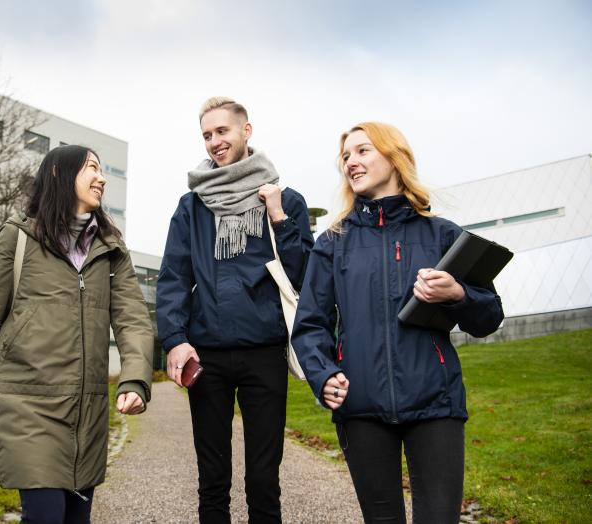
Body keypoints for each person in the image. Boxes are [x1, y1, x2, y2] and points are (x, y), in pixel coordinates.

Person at [291, 122, 504, 523]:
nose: (351, 162)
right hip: (361, 407)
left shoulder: (441, 234)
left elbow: (489, 316)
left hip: (435, 405)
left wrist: (457, 294)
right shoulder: (333, 242)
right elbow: (310, 326)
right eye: (346, 156)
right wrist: (323, 376)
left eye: (362, 151)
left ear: (394, 156)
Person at [0, 145, 154, 524]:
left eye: (102, 170)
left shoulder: (111, 250)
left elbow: (133, 320)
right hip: (26, 404)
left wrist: (135, 380)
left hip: (87, 411)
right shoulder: (18, 239)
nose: (101, 178)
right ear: (58, 175)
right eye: (91, 168)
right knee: (45, 516)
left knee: (75, 519)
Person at [156, 96, 314, 523]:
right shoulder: (191, 206)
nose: (214, 142)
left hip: (264, 351)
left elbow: (305, 277)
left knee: (264, 480)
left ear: (246, 131)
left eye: (222, 131)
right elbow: (173, 276)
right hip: (206, 351)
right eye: (207, 135)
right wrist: (174, 339)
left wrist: (278, 216)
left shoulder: (285, 199)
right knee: (212, 480)